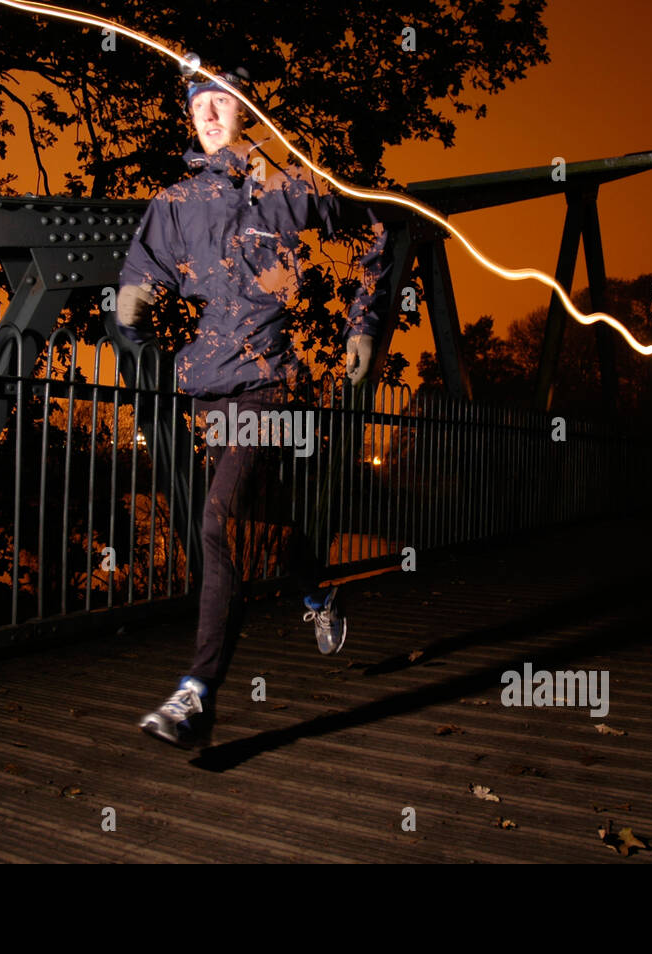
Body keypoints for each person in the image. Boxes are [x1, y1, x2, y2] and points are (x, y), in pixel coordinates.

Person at [115, 66, 393, 747]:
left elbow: (375, 230)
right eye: (197, 105)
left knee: (217, 525)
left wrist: (363, 325)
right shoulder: (175, 203)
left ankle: (196, 697)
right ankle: (317, 595)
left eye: (222, 102)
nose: (209, 114)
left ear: (245, 109)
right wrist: (133, 315)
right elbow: (135, 283)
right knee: (260, 517)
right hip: (209, 389)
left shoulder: (287, 186)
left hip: (274, 388)